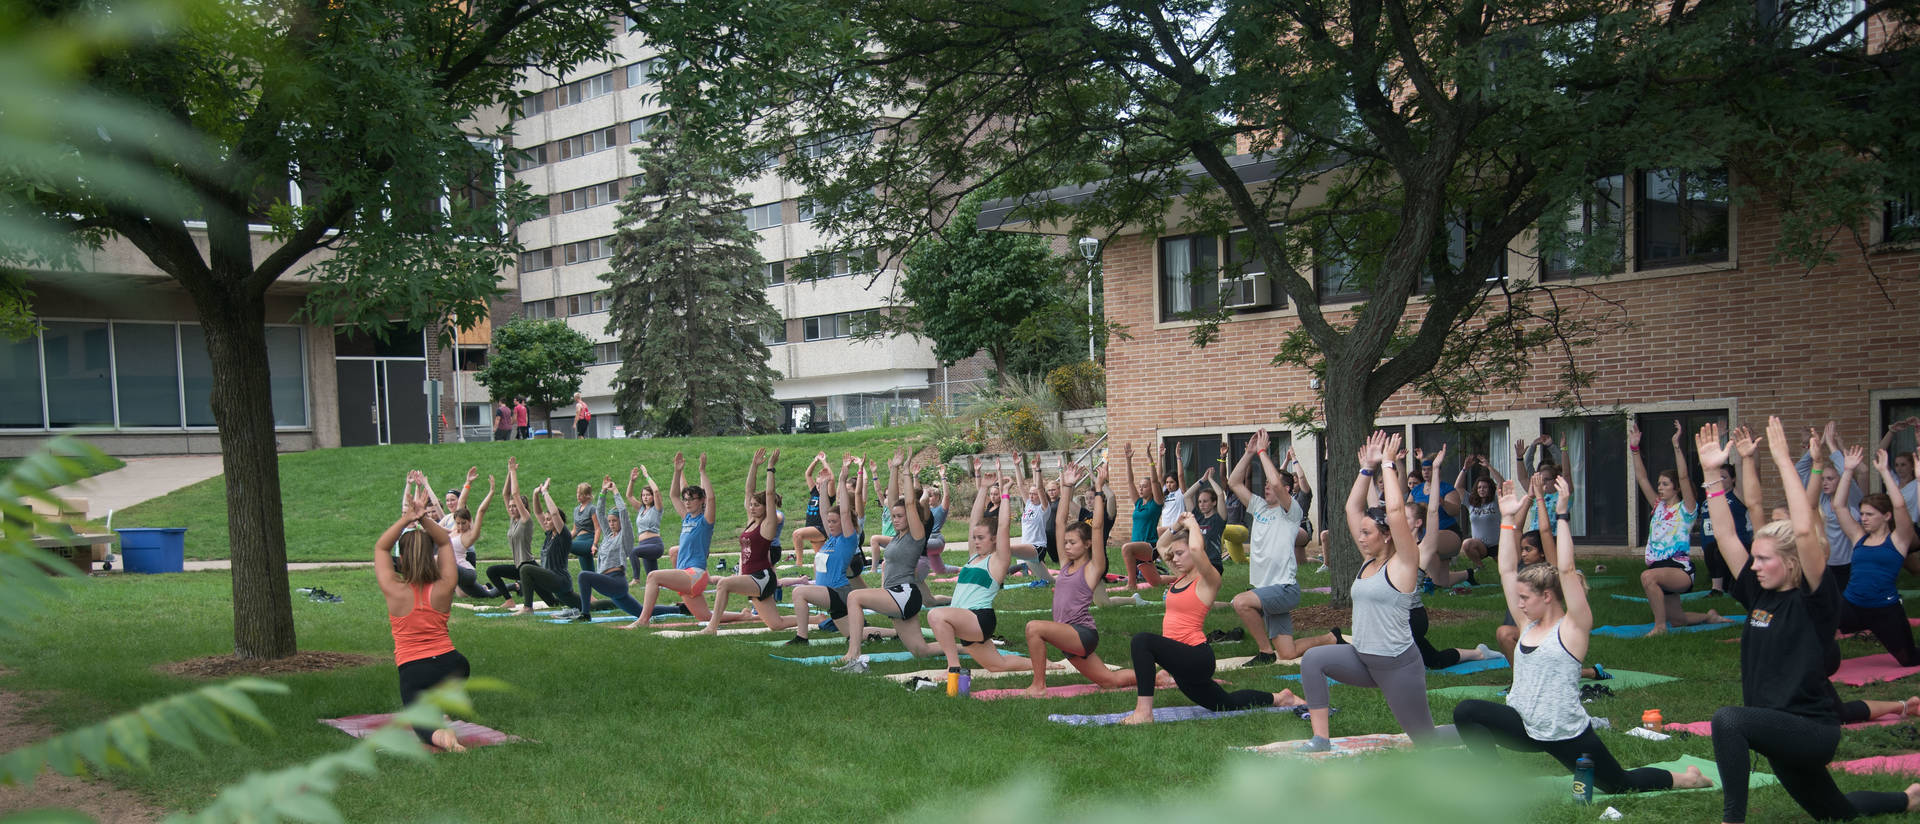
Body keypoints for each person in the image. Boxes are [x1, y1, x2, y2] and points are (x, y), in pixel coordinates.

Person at [1701, 418, 1920, 823]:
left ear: (1789, 561)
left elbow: (1805, 531)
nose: (1756, 565)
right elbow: (1728, 538)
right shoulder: (1758, 592)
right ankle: (1906, 800)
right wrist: (1711, 473)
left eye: (1764, 558)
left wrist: (1787, 461)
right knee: (1835, 812)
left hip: (1809, 730)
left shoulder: (1816, 602)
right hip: (1776, 728)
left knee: (1727, 719)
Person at [1453, 476, 1711, 792]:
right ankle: (1493, 778)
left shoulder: (1573, 628)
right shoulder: (1528, 625)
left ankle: (1687, 779)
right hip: (1524, 727)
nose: (1517, 604)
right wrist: (1507, 520)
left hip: (1565, 733)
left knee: (1620, 785)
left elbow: (1565, 568)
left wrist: (1562, 516)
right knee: (1466, 710)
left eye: (1525, 599)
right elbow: (1507, 570)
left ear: (1548, 596)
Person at [1298, 432, 1441, 751]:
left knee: (1426, 740)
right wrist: (1366, 469)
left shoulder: (1404, 564)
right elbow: (1351, 507)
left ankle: (1482, 730)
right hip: (1361, 658)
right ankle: (1321, 739)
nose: (1360, 538)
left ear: (1387, 536)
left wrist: (1389, 465)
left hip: (1397, 666)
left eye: (1367, 533)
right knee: (1312, 660)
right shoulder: (1368, 562)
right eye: (1360, 532)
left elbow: (1393, 512)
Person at [1120, 511, 1306, 724]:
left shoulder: (1208, 580)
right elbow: (1162, 546)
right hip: (1179, 660)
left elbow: (1198, 548)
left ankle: (1144, 713)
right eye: (1175, 554)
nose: (1175, 559)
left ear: (1195, 552)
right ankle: (1281, 698)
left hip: (1196, 657)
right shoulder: (1181, 576)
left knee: (1142, 641)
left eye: (1181, 553)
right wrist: (1176, 526)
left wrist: (1192, 524)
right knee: (1224, 703)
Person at [1022, 463, 1168, 697]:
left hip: (1081, 633)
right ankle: (1157, 677)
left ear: (1087, 544)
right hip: (1068, 636)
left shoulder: (1092, 568)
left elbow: (1097, 526)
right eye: (1066, 543)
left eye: (1073, 543)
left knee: (1033, 628)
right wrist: (1067, 486)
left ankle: (1038, 686)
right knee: (1109, 681)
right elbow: (1060, 523)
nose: (1067, 547)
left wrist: (1099, 489)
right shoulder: (1065, 565)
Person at [1227, 428, 1340, 666]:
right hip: (1266, 588)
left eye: (1270, 484)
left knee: (1241, 602)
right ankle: (1332, 637)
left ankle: (1265, 653)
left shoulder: (1291, 511)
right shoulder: (1258, 507)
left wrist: (1263, 452)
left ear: (1288, 490)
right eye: (1265, 484)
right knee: (1288, 653)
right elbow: (1233, 482)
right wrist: (1249, 454)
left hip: (1284, 588)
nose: (1267, 487)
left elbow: (1278, 484)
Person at [375, 475, 469, 751]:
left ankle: (444, 738)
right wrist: (425, 520)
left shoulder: (395, 590)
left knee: (422, 727)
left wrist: (408, 519)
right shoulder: (444, 586)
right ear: (431, 557)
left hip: (415, 670)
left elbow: (381, 547)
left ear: (400, 560)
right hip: (454, 665)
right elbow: (444, 543)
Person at [832, 449, 941, 672]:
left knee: (854, 597)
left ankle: (853, 654)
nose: (896, 519)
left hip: (904, 593)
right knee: (921, 651)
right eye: (894, 517)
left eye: (900, 517)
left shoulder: (916, 535)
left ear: (912, 517)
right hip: (898, 596)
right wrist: (894, 469)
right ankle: (969, 649)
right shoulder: (898, 536)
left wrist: (907, 473)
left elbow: (909, 503)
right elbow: (894, 501)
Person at [926, 465, 1040, 676]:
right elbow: (973, 521)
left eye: (981, 538)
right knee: (998, 665)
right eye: (975, 538)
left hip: (978, 618)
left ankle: (953, 668)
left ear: (994, 539)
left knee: (935, 615)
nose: (976, 541)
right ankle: (1045, 664)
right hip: (966, 621)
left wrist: (1005, 493)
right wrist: (983, 489)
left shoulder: (997, 561)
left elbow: (1004, 526)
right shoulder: (972, 558)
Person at [1629, 421, 1727, 635]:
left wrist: (1676, 445)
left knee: (1648, 577)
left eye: (1664, 484)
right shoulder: (1658, 507)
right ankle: (1709, 617)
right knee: (1679, 620)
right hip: (1660, 567)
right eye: (1659, 484)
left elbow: (1683, 476)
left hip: (1679, 570)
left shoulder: (1687, 509)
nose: (1659, 487)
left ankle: (1659, 627)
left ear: (1676, 488)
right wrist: (1634, 449)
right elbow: (1642, 478)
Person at [1831, 443, 1920, 665]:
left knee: (1909, 660)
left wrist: (1883, 471)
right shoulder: (1858, 537)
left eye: (1870, 514)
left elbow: (1900, 506)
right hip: (1851, 605)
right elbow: (1839, 507)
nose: (1863, 518)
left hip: (1885, 610)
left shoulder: (1899, 540)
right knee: (1816, 624)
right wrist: (1848, 470)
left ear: (1886, 516)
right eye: (1862, 514)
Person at [702, 448, 800, 634]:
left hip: (761, 577)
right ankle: (818, 619)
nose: (752, 507)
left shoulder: (767, 525)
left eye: (757, 505)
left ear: (766, 508)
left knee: (724, 583)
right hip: (752, 579)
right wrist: (754, 466)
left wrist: (770, 468)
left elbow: (769, 495)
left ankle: (712, 627)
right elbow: (749, 490)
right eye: (751, 505)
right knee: (775, 624)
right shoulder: (751, 522)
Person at [623, 453, 719, 628]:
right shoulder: (687, 518)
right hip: (687, 576)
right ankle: (746, 615)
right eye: (686, 500)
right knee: (706, 617)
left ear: (701, 500)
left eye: (692, 499)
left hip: (695, 574)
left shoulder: (705, 521)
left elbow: (711, 498)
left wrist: (702, 471)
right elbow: (674, 495)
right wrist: (677, 471)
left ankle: (643, 620)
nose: (687, 503)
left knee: (653, 576)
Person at [785, 456, 864, 645]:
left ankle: (801, 637)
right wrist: (822, 486)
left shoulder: (847, 538)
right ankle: (893, 633)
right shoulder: (831, 540)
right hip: (829, 593)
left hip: (837, 592)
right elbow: (823, 512)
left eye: (834, 522)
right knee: (854, 636)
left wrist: (842, 480)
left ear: (845, 524)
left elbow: (844, 512)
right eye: (829, 523)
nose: (830, 525)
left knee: (799, 592)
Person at [1122, 466, 1225, 586]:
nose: (1201, 505)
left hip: (1212, 565)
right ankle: (1180, 578)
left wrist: (1211, 480)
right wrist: (1202, 479)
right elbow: (1187, 495)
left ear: (1214, 503)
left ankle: (1132, 584)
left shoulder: (1219, 519)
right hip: (1197, 564)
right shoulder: (1197, 518)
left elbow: (1220, 495)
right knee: (1162, 578)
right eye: (1200, 502)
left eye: (1205, 501)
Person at [1799, 420, 1867, 591]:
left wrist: (1831, 445)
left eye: (1830, 479)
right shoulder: (1820, 498)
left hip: (1849, 563)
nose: (1825, 483)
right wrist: (1818, 445)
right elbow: (1800, 469)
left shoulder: (1851, 497)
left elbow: (1846, 472)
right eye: (1822, 479)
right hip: (1825, 563)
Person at [575, 476, 647, 622]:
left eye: (614, 521)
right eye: (610, 521)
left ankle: (585, 614)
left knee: (584, 575)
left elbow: (624, 512)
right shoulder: (608, 536)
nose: (611, 523)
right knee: (643, 612)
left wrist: (615, 491)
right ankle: (681, 608)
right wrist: (603, 491)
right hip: (607, 582)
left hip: (617, 582)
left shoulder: (625, 536)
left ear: (620, 522)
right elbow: (600, 513)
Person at [1406, 445, 1467, 587]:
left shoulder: (1447, 489)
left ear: (1437, 470)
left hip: (1448, 535)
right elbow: (1408, 510)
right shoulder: (1416, 490)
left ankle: (1414, 582)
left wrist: (1442, 502)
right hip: (1424, 538)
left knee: (1425, 544)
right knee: (1440, 582)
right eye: (1424, 469)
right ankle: (1468, 574)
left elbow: (1455, 511)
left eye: (1429, 469)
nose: (1426, 472)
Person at [483, 457, 536, 606]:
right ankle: (509, 600)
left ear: (522, 507)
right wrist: (508, 472)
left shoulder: (526, 520)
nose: (512, 508)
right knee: (492, 571)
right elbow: (506, 495)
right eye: (510, 507)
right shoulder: (513, 520)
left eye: (515, 506)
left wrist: (514, 473)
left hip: (529, 566)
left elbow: (514, 494)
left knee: (550, 599)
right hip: (518, 567)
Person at [1118, 442, 1166, 590]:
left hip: (1150, 546)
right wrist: (1128, 460)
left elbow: (1156, 480)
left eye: (1144, 486)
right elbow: (1130, 481)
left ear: (1152, 489)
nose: (1140, 488)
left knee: (1126, 548)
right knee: (1156, 582)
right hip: (1138, 550)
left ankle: (1131, 584)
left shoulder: (1156, 503)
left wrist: (1150, 459)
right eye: (1140, 486)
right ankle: (1186, 578)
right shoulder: (1138, 504)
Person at [1458, 455, 1504, 568]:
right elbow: (1458, 487)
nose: (1482, 490)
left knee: (1507, 569)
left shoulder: (1495, 500)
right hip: (1480, 546)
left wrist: (1489, 466)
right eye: (1479, 487)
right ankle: (1480, 567)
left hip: (1497, 544)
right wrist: (1464, 469)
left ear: (1490, 489)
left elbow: (1501, 483)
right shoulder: (1471, 502)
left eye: (1485, 487)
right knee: (1466, 544)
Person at [792, 453, 833, 566]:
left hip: (821, 528)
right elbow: (808, 474)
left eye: (821, 484)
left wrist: (824, 461)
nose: (819, 486)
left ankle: (798, 564)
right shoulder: (814, 491)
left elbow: (832, 478)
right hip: (811, 528)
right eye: (817, 483)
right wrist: (815, 461)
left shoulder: (828, 495)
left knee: (797, 534)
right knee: (820, 561)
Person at [625, 465, 667, 575]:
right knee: (652, 576)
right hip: (643, 544)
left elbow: (656, 491)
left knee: (633, 552)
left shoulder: (657, 509)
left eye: (648, 495)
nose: (645, 497)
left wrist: (646, 475)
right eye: (643, 495)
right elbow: (629, 496)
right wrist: (632, 481)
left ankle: (636, 578)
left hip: (655, 545)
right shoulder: (641, 509)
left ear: (652, 497)